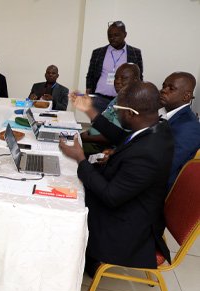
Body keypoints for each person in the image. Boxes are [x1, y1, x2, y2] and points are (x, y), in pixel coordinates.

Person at [59, 81, 173, 276]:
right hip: (130, 205)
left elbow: (110, 196)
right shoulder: (155, 127)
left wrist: (80, 158)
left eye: (118, 109)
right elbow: (122, 137)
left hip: (126, 228)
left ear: (130, 113)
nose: (115, 113)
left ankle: (73, 262)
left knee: (63, 207)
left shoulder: (148, 152)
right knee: (66, 186)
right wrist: (90, 111)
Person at [81, 63, 141, 155]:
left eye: (123, 78)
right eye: (116, 78)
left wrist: (86, 138)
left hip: (103, 148)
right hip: (92, 139)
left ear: (136, 80)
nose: (117, 81)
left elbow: (113, 136)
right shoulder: (119, 97)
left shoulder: (131, 104)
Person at [86, 21, 143, 112]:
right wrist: (88, 95)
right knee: (97, 124)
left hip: (123, 100)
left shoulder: (135, 53)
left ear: (125, 34)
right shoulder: (98, 53)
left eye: (116, 35)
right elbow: (90, 75)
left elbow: (139, 77)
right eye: (110, 35)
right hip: (99, 99)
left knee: (117, 125)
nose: (112, 38)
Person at [159, 72, 200, 189]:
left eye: (171, 88)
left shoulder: (190, 127)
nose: (163, 90)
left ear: (186, 97)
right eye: (163, 86)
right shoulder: (160, 112)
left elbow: (167, 166)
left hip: (158, 190)